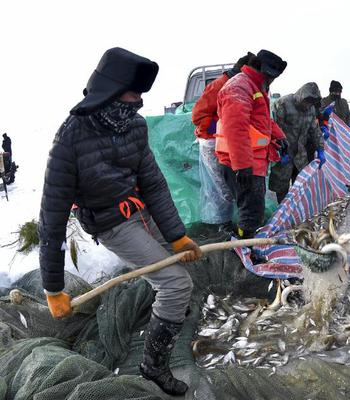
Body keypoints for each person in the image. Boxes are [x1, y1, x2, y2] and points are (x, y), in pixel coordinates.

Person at [38, 47, 202, 396]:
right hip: (112, 224)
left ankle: (170, 313)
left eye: (141, 96)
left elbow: (154, 183)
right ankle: (154, 366)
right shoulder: (70, 140)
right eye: (132, 95)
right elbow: (51, 220)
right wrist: (53, 289)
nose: (138, 102)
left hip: (140, 209)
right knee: (175, 283)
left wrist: (176, 236)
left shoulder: (134, 126)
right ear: (110, 90)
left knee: (182, 271)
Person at [216, 50, 288, 238]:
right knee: (250, 212)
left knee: (253, 209)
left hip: (253, 161)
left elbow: (262, 121)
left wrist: (280, 137)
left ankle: (247, 241)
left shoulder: (255, 86)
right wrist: (243, 165)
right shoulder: (240, 87)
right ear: (265, 72)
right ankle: (245, 246)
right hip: (241, 163)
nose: (272, 82)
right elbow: (235, 128)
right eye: (272, 77)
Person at [191, 52, 253, 233]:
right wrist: (220, 128)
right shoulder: (219, 86)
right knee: (220, 185)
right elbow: (197, 115)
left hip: (229, 141)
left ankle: (235, 219)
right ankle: (223, 224)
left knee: (233, 182)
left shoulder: (242, 86)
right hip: (212, 143)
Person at [269, 82, 325, 203]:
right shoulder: (283, 103)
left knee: (300, 188)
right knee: (281, 188)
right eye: (307, 101)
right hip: (283, 154)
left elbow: (315, 130)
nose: (308, 105)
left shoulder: (310, 110)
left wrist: (321, 149)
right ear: (302, 96)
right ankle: (281, 214)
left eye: (311, 102)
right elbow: (273, 128)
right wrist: (279, 152)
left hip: (300, 156)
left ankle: (295, 214)